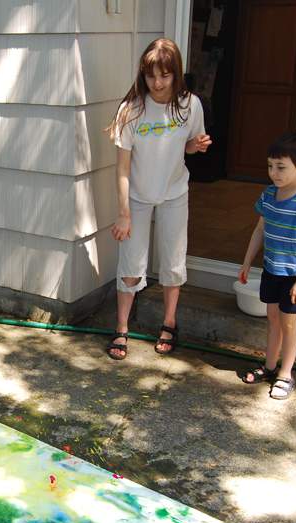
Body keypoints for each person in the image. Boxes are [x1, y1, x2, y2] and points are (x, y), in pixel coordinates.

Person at [106, 38, 211, 360]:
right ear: (143, 74)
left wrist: (197, 145)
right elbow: (122, 168)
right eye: (151, 76)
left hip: (175, 194)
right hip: (137, 197)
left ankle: (169, 322)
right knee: (130, 265)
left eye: (165, 76)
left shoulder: (189, 105)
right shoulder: (131, 109)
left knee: (172, 261)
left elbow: (188, 146)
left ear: (175, 74)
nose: (158, 83)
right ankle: (121, 328)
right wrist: (123, 213)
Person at [239, 130, 296, 400]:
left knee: (290, 324)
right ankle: (269, 366)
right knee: (273, 321)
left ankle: (286, 374)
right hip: (272, 270)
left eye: (281, 167)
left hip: (293, 276)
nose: (274, 173)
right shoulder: (269, 194)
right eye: (270, 166)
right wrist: (246, 262)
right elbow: (259, 230)